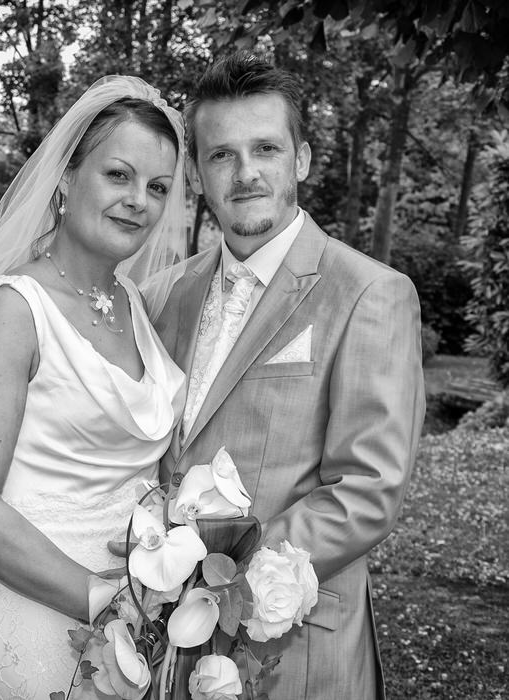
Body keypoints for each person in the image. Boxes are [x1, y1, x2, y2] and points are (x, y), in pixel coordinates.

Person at [147, 52, 425, 699]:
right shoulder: (166, 295)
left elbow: (367, 488)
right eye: (222, 155)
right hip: (171, 645)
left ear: (299, 159)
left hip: (296, 647)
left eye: (266, 148)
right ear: (197, 173)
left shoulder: (369, 294)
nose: (246, 174)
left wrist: (214, 574)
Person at [0, 76, 189, 699]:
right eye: (118, 175)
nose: (139, 200)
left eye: (158, 188)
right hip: (39, 604)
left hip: (139, 617)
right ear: (64, 179)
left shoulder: (131, 303)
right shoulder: (13, 311)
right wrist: (108, 602)